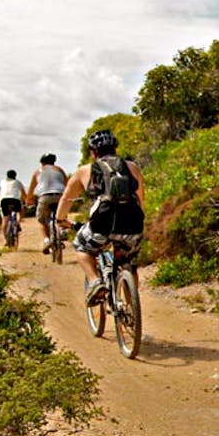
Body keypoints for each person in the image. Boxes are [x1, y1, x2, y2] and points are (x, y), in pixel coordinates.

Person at [56, 129, 145, 306]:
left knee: (81, 246)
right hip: (133, 223)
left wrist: (60, 220)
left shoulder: (84, 171)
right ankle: (131, 309)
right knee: (128, 263)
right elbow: (140, 198)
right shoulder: (131, 167)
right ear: (115, 149)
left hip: (102, 224)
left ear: (93, 152)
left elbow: (66, 199)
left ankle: (95, 281)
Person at [26, 153, 68, 253]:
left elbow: (31, 189)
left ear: (42, 162)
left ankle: (46, 240)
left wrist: (29, 200)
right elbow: (68, 184)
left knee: (42, 220)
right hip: (60, 195)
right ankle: (62, 231)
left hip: (45, 196)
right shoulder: (60, 170)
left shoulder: (37, 172)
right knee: (61, 215)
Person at [0, 169, 27, 245]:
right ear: (15, 176)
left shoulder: (2, 182)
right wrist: (27, 201)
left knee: (5, 221)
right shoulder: (18, 182)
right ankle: (18, 222)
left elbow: (0, 191)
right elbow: (24, 194)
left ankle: (6, 240)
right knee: (19, 211)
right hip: (15, 200)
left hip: (4, 200)